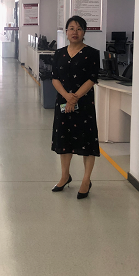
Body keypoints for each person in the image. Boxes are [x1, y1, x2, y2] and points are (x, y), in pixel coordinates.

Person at [51, 15, 100, 199]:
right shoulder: (59, 53)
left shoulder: (92, 53)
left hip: (84, 104)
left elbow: (92, 78)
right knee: (64, 139)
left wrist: (75, 98)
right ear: (66, 32)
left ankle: (86, 180)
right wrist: (67, 97)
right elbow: (54, 78)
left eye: (79, 29)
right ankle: (65, 176)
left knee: (87, 140)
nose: (75, 32)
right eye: (71, 28)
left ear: (84, 32)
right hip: (63, 102)